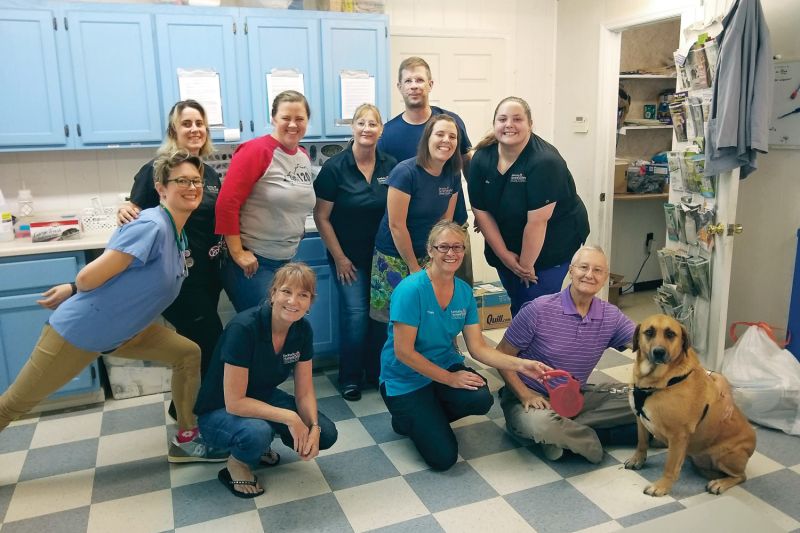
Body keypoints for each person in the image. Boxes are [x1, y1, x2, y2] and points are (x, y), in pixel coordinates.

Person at [1, 151, 226, 463]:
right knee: (13, 404)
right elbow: (88, 276)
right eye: (182, 181)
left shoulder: (177, 232)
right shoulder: (151, 226)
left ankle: (186, 439)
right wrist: (72, 288)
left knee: (188, 354)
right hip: (80, 331)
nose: (191, 187)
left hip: (125, 331)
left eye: (196, 181)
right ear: (161, 188)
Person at [379, 221, 550, 471]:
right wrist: (449, 379)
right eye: (444, 247)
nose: (451, 253)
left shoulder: (464, 292)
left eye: (457, 247)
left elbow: (478, 348)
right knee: (443, 459)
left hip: (443, 367)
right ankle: (408, 419)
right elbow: (404, 353)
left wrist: (523, 365)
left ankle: (425, 417)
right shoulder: (410, 290)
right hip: (404, 378)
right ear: (430, 250)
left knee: (481, 399)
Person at [194, 263, 338, 498]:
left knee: (326, 434)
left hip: (262, 398)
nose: (293, 301)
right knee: (258, 432)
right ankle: (237, 463)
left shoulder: (302, 331)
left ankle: (258, 445)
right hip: (219, 409)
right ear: (272, 294)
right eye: (286, 291)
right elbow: (235, 403)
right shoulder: (244, 328)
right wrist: (290, 418)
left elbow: (304, 393)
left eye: (303, 295)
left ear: (310, 302)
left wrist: (313, 427)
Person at [496, 245, 637, 464]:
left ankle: (564, 433)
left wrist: (699, 372)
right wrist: (525, 394)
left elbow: (647, 342)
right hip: (528, 398)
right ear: (571, 270)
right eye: (583, 267)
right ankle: (594, 437)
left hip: (574, 396)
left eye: (598, 270)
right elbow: (502, 355)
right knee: (542, 425)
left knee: (647, 397)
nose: (590, 275)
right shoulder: (538, 309)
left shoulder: (611, 316)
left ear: (605, 277)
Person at [117, 99, 223, 387]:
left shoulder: (209, 173)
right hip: (177, 277)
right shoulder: (156, 169)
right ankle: (201, 411)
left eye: (199, 123)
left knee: (196, 346)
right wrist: (125, 209)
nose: (194, 129)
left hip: (208, 274)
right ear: (173, 130)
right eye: (186, 123)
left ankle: (188, 412)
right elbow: (134, 215)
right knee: (209, 340)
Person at [468, 96, 590, 316]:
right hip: (508, 235)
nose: (509, 125)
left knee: (536, 307)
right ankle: (518, 347)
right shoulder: (482, 158)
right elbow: (481, 212)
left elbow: (537, 223)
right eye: (502, 119)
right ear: (494, 124)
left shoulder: (544, 162)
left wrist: (523, 268)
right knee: (518, 299)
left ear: (530, 124)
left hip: (552, 239)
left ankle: (539, 348)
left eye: (517, 119)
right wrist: (505, 256)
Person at [313, 103, 398, 401]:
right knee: (356, 314)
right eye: (361, 123)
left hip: (383, 258)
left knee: (380, 317)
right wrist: (339, 257)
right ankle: (349, 377)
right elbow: (321, 216)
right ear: (352, 128)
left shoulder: (391, 165)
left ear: (380, 129)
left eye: (372, 124)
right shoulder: (335, 168)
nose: (366, 129)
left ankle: (375, 373)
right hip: (347, 257)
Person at [215, 90, 315, 312]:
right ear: (273, 118)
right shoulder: (256, 151)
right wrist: (238, 253)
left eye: (299, 119)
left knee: (281, 327)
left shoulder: (302, 155)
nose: (292, 124)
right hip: (255, 262)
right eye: (285, 118)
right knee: (262, 330)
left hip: (286, 259)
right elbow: (226, 204)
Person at [378, 56, 474, 283]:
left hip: (450, 230)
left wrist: (480, 209)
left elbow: (467, 164)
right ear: (399, 87)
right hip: (404, 242)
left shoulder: (451, 122)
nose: (414, 85)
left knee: (455, 299)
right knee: (404, 312)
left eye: (420, 79)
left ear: (430, 84)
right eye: (408, 80)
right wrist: (412, 264)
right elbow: (393, 210)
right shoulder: (388, 135)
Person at [369, 114, 462, 323]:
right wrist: (413, 267)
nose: (446, 140)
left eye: (452, 136)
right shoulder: (405, 172)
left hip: (428, 255)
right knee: (394, 320)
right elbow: (396, 225)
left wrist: (434, 260)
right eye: (440, 134)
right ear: (428, 138)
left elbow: (445, 223)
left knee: (424, 318)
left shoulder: (453, 174)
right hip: (395, 256)